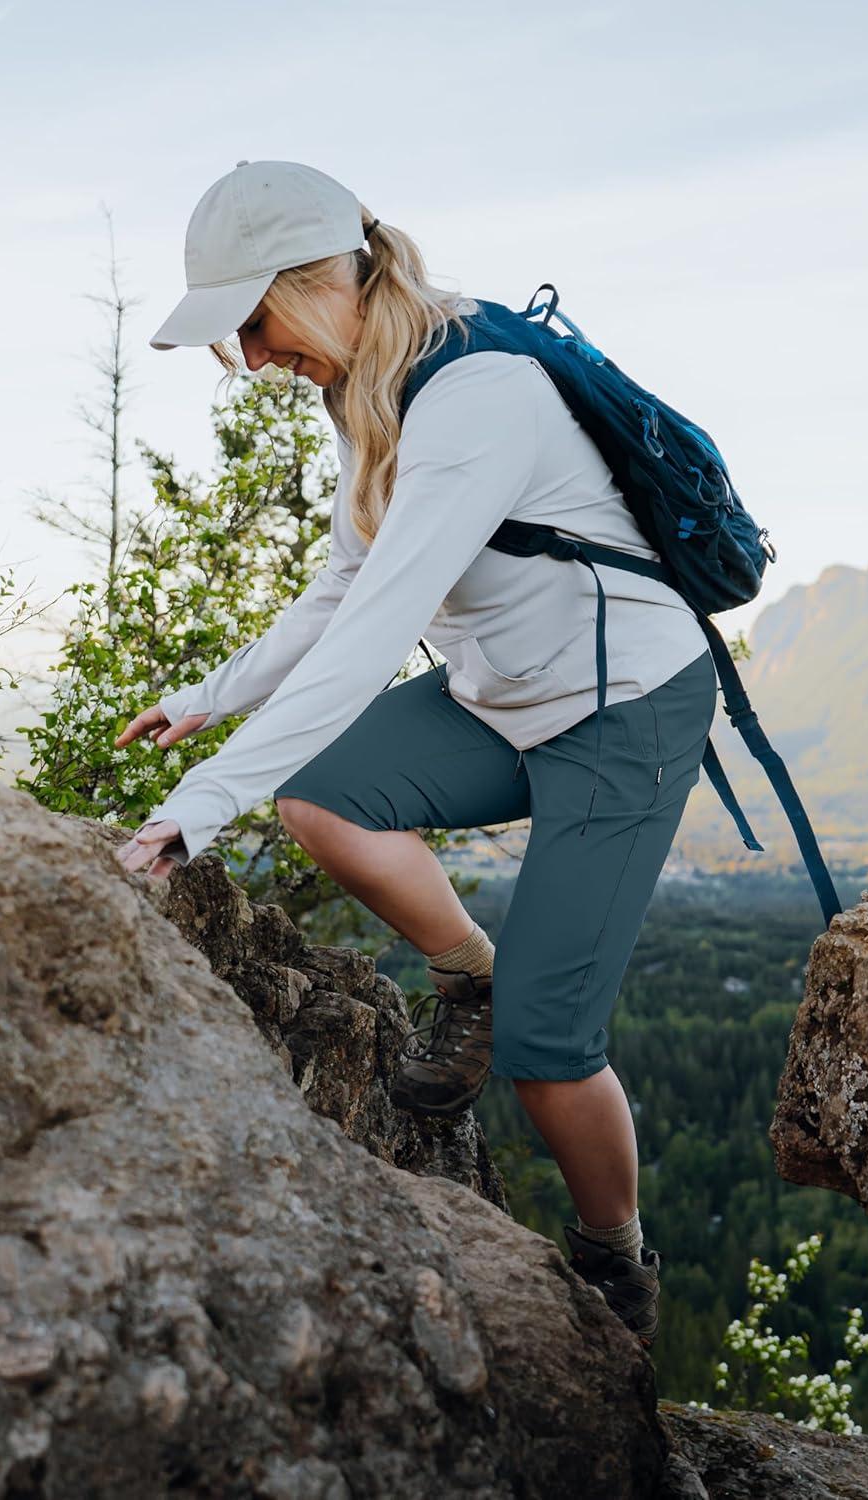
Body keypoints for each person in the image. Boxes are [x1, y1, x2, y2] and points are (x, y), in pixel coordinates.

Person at [114, 160, 720, 1347]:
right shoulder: (368, 390)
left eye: (251, 324)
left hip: (621, 709)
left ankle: (614, 1256)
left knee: (552, 1056)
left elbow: (377, 630)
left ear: (316, 281)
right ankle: (471, 979)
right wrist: (211, 699)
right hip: (501, 695)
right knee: (325, 798)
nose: (249, 358)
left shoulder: (476, 391)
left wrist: (195, 808)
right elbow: (342, 585)